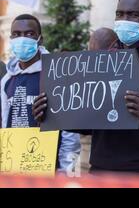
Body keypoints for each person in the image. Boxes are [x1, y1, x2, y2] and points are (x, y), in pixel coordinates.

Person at [33, 0, 139, 176]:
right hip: (99, 173)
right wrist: (49, 113)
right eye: (120, 14)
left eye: (133, 15)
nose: (124, 19)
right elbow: (91, 123)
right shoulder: (100, 62)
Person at [1, 14, 80, 172]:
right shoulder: (7, 80)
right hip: (14, 169)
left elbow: (70, 132)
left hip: (48, 169)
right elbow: (4, 124)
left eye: (29, 34)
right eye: (16, 34)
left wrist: (67, 174)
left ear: (40, 39)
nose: (22, 39)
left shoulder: (57, 75)